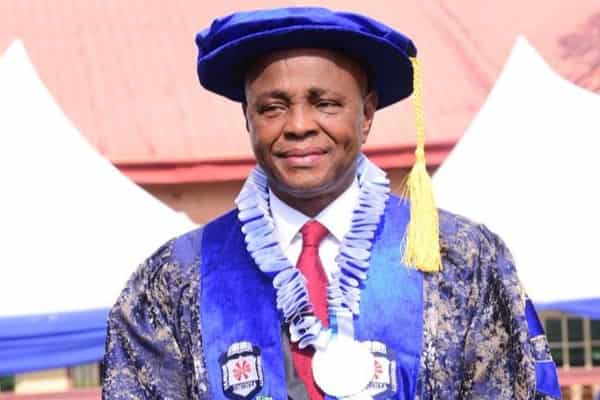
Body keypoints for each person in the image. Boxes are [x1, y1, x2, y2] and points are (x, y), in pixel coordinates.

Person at [102, 7, 561, 400]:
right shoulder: (174, 281)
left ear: (367, 114)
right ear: (247, 117)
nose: (299, 125)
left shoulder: (462, 260)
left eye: (325, 103)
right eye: (273, 107)